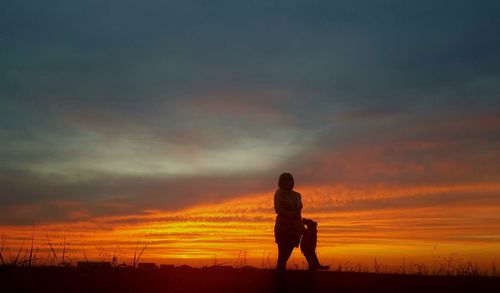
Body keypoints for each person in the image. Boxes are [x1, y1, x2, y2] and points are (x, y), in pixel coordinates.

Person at [274, 172, 304, 271]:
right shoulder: (279, 193)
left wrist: (301, 225)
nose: (288, 182)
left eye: (290, 180)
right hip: (283, 227)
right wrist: (291, 214)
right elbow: (277, 209)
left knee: (288, 252)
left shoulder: (297, 195)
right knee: (282, 253)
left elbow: (299, 211)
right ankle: (280, 275)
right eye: (285, 180)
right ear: (281, 182)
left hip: (295, 228)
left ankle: (281, 274)